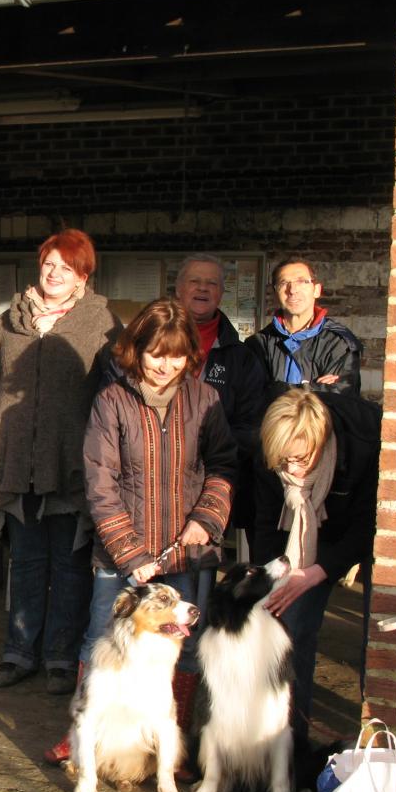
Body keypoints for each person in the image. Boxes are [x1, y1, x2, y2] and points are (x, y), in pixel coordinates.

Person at [45, 298, 236, 765]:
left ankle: (173, 747)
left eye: (175, 356)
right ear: (137, 349)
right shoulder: (112, 401)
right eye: (155, 354)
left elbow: (224, 465)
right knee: (101, 643)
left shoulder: (205, 400)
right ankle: (83, 733)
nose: (164, 366)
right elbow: (99, 482)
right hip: (119, 555)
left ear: (189, 353)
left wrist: (206, 519)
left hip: (185, 553)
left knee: (183, 650)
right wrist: (131, 554)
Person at [0, 229, 122, 695]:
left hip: (71, 462)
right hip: (17, 463)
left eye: (65, 269)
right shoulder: (10, 319)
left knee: (69, 567)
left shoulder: (102, 322)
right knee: (27, 562)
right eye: (48, 264)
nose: (53, 274)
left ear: (82, 276)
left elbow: (119, 382)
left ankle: (59, 658)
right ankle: (18, 653)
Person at [251, 386, 380, 746]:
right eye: (283, 461)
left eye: (301, 460)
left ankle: (374, 742)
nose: (291, 469)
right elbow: (265, 522)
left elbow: (368, 525)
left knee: (379, 637)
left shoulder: (363, 441)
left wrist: (320, 571)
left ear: (321, 441)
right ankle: (289, 747)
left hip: (358, 534)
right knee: (290, 631)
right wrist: (273, 582)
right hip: (296, 543)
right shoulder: (270, 454)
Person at [174, 254, 270, 615]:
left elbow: (251, 426)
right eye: (195, 281)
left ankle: (190, 659)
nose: (202, 288)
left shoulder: (241, 358)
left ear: (222, 292)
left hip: (210, 481)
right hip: (149, 478)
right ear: (179, 288)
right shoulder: (149, 339)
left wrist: (209, 446)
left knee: (197, 575)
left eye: (211, 283)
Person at [248, 257, 363, 394]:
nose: (292, 290)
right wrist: (314, 388)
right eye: (284, 283)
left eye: (302, 281)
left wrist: (276, 389)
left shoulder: (340, 343)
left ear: (316, 290)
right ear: (275, 293)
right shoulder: (258, 344)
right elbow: (252, 396)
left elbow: (341, 397)